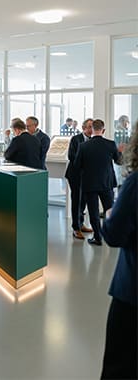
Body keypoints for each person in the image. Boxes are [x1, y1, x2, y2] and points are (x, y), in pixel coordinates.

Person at [99, 120, 137, 380]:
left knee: (121, 365)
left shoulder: (134, 184)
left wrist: (110, 215)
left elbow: (114, 235)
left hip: (132, 293)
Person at [74, 119, 125, 246]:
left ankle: (97, 237)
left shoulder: (83, 146)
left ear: (92, 130)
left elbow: (76, 166)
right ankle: (112, 235)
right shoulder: (111, 144)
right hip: (106, 183)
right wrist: (120, 152)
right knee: (110, 209)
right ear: (103, 130)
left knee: (93, 212)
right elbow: (119, 161)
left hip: (89, 183)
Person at [66, 118, 95, 239]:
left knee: (83, 200)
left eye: (93, 127)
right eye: (89, 126)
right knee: (76, 200)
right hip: (75, 175)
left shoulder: (94, 140)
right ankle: (76, 228)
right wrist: (86, 162)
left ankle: (81, 223)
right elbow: (71, 156)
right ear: (83, 128)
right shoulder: (76, 139)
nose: (91, 129)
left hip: (87, 176)